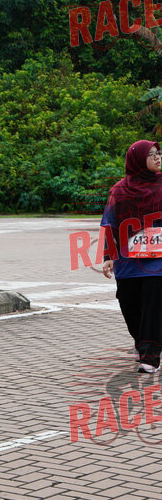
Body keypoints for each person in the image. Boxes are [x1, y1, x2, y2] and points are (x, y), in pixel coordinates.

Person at [101, 139, 162, 373]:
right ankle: (141, 341)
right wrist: (108, 255)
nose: (158, 158)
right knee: (128, 301)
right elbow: (109, 223)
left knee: (153, 304)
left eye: (159, 153)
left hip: (157, 261)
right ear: (137, 160)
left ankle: (151, 356)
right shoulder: (119, 190)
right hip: (128, 261)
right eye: (151, 154)